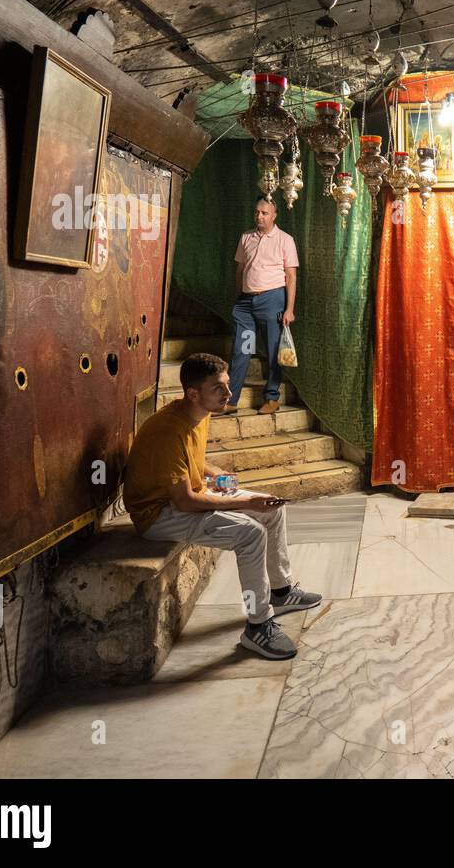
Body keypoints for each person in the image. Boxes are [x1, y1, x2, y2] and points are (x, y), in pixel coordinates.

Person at [124, 353, 322, 659]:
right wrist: (246, 500)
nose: (229, 394)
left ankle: (281, 592)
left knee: (272, 509)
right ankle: (258, 627)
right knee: (250, 533)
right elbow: (186, 501)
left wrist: (215, 473)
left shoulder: (198, 413)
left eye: (227, 385)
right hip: (158, 514)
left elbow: (190, 459)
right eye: (219, 388)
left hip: (184, 496)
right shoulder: (167, 429)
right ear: (193, 393)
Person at [225, 196, 299, 416]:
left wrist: (289, 309)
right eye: (257, 212)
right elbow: (240, 271)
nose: (259, 216)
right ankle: (231, 399)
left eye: (264, 213)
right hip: (246, 304)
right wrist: (241, 296)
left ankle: (272, 398)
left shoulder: (285, 240)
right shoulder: (246, 237)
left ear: (274, 216)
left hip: (272, 300)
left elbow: (291, 277)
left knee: (273, 350)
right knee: (242, 350)